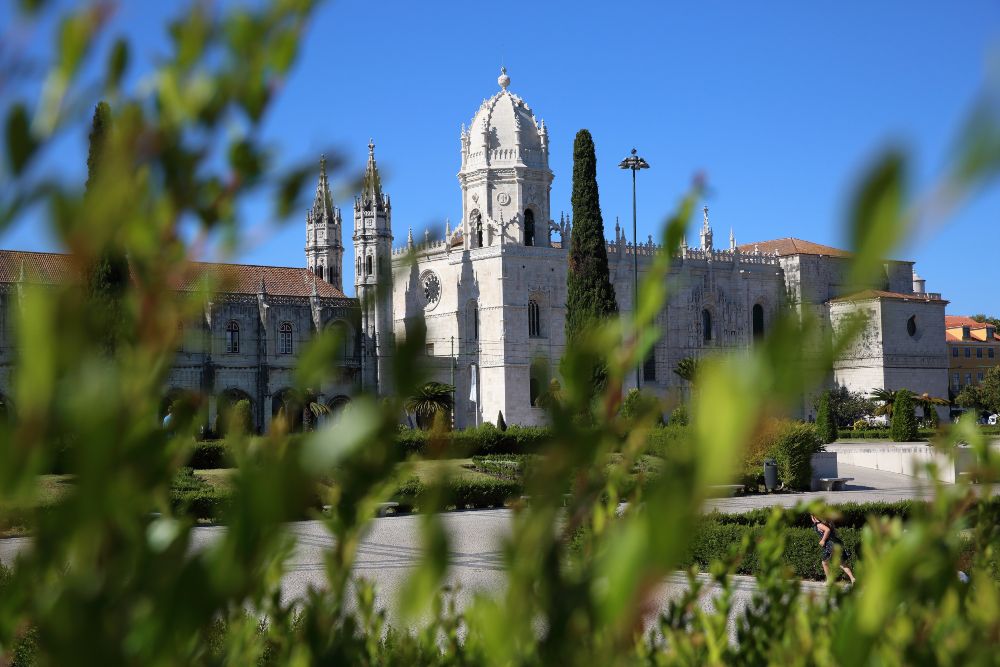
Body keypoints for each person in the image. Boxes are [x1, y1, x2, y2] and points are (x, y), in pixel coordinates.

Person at [810, 514, 856, 584]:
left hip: (830, 546)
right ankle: (853, 579)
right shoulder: (827, 523)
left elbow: (827, 530)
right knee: (840, 563)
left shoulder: (819, 525)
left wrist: (823, 540)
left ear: (814, 517)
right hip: (836, 544)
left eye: (811, 517)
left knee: (825, 562)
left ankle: (829, 581)